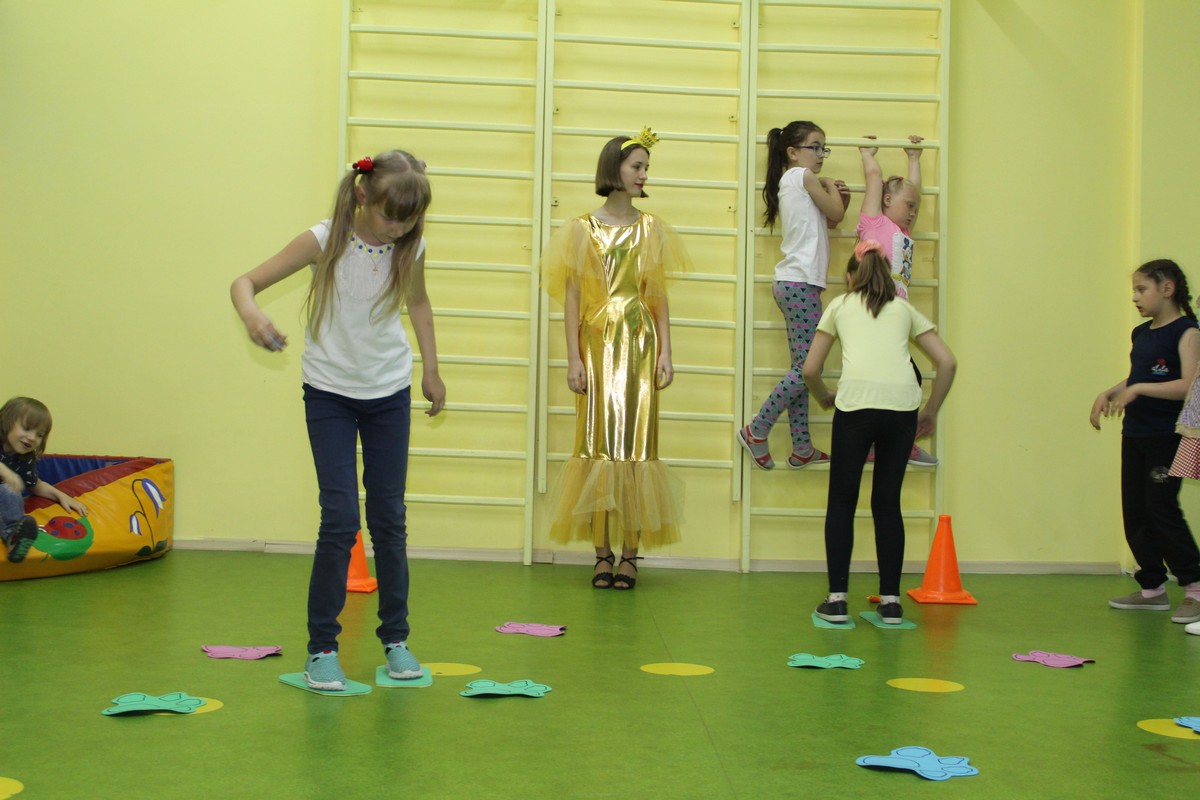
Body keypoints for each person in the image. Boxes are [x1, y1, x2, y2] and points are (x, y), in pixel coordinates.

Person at [230, 150, 446, 690]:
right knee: (340, 516)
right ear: (362, 195)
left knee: (389, 518)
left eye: (408, 221)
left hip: (389, 392)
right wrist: (253, 315)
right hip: (329, 394)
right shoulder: (324, 239)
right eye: (390, 217)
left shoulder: (410, 245)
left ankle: (396, 639)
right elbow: (244, 283)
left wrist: (432, 370)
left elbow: (419, 304)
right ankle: (322, 648)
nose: (398, 229)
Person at [543, 129, 687, 590]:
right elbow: (571, 299)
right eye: (636, 166)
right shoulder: (581, 229)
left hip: (639, 342)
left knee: (637, 443)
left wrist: (666, 350)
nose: (644, 174)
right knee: (597, 441)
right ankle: (601, 553)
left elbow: (657, 295)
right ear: (615, 169)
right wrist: (573, 358)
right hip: (597, 342)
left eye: (646, 167)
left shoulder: (651, 228)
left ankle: (630, 553)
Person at [802, 240, 956, 625]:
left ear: (851, 277)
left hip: (855, 406)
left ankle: (837, 600)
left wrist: (824, 397)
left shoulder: (840, 305)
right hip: (902, 408)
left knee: (842, 501)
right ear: (888, 276)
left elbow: (810, 370)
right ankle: (890, 603)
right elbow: (947, 362)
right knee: (887, 503)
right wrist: (930, 411)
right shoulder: (903, 308)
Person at [1091, 258, 1200, 626]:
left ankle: (1195, 586)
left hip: (1166, 437)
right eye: (1134, 290)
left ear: (1167, 289)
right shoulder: (1141, 333)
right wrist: (1110, 392)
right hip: (1135, 434)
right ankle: (1152, 588)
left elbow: (1188, 385)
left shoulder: (1187, 332)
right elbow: (1136, 376)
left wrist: (1138, 389)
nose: (1135, 297)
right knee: (1135, 510)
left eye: (1142, 289)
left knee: (1161, 508)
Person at [738, 120, 849, 471]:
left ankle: (802, 446)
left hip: (797, 284)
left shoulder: (794, 182)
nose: (820, 155)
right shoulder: (802, 177)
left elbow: (829, 220)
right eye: (814, 147)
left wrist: (832, 193)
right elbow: (836, 212)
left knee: (802, 367)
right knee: (807, 369)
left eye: (823, 148)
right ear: (793, 152)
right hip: (799, 284)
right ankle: (757, 429)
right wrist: (831, 187)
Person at [857, 134, 937, 467]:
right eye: (908, 206)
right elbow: (874, 178)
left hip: (895, 318)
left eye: (915, 208)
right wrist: (868, 154)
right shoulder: (874, 223)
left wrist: (914, 158)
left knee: (902, 382)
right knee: (901, 381)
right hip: (875, 314)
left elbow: (913, 190)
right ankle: (895, 443)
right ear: (886, 200)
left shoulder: (903, 234)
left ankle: (895, 443)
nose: (913, 212)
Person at [0, 397, 90, 563]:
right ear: (6, 422)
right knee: (7, 488)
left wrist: (61, 495)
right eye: (27, 428)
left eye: (39, 435)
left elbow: (36, 485)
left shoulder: (24, 459)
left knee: (9, 491)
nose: (32, 437)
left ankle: (15, 538)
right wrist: (5, 472)